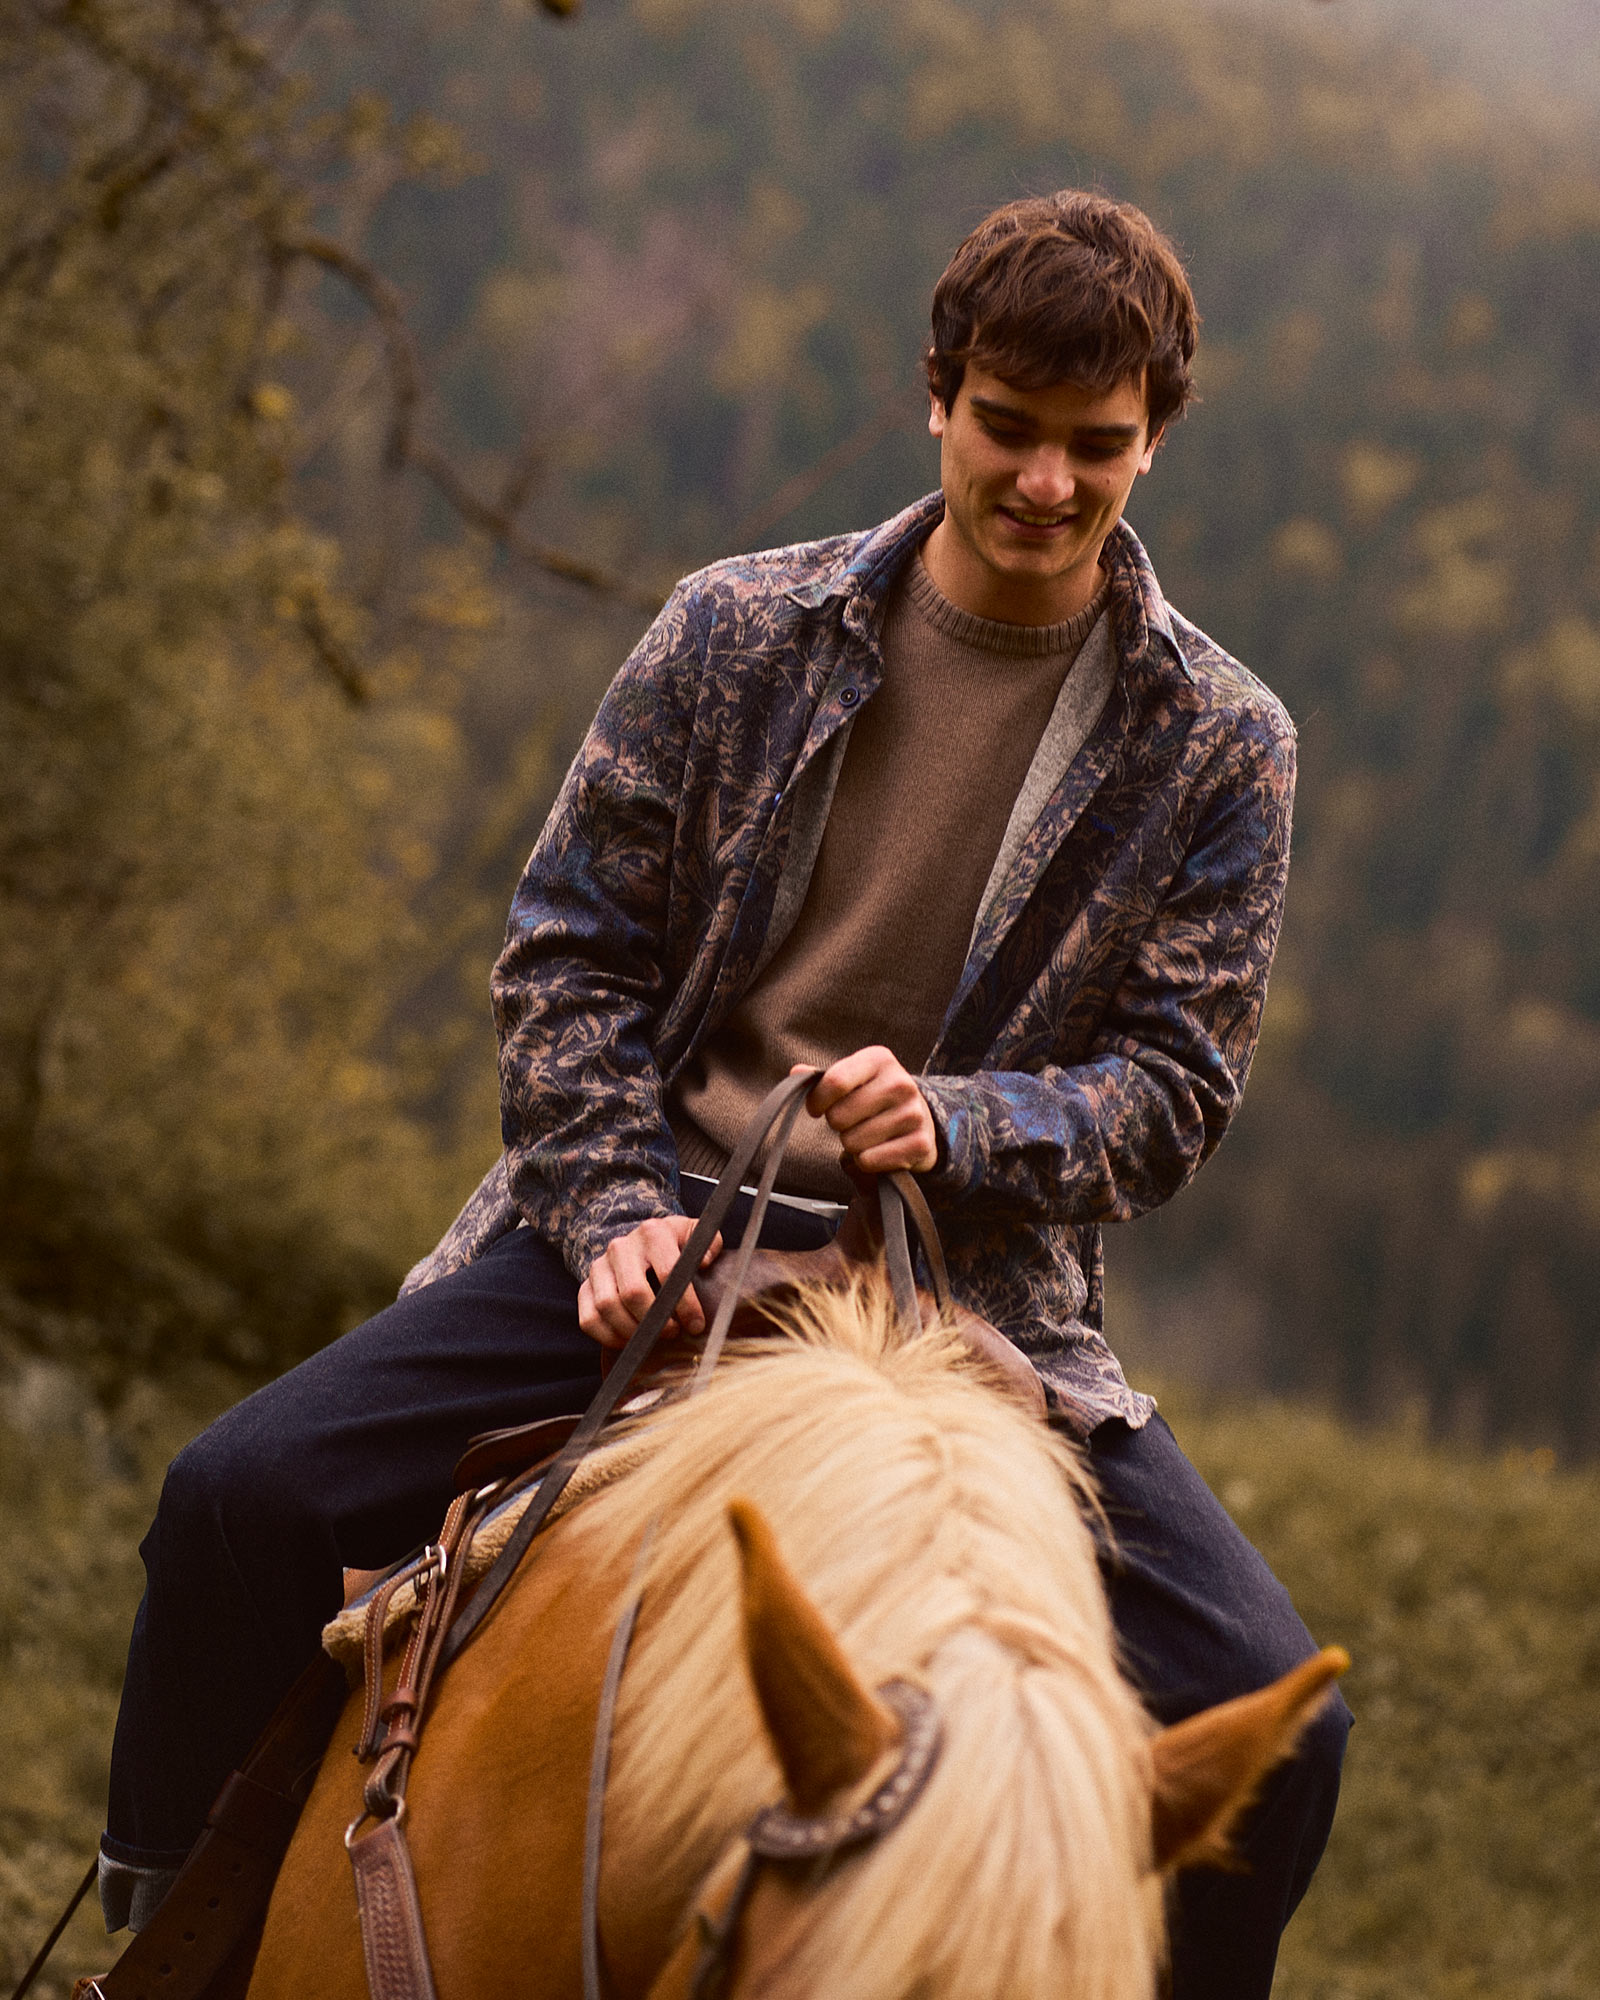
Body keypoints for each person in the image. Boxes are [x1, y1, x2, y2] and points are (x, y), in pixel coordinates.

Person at [100, 190, 1348, 1999]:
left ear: (1158, 435)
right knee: (237, 1497)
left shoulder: (1222, 739)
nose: (1049, 484)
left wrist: (967, 1123)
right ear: (939, 396)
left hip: (965, 1305)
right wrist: (612, 1214)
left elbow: (1171, 1091)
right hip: (653, 1234)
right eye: (1010, 427)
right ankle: (172, 1935)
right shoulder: (736, 629)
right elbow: (566, 956)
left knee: (1278, 1730)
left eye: (1098, 446)